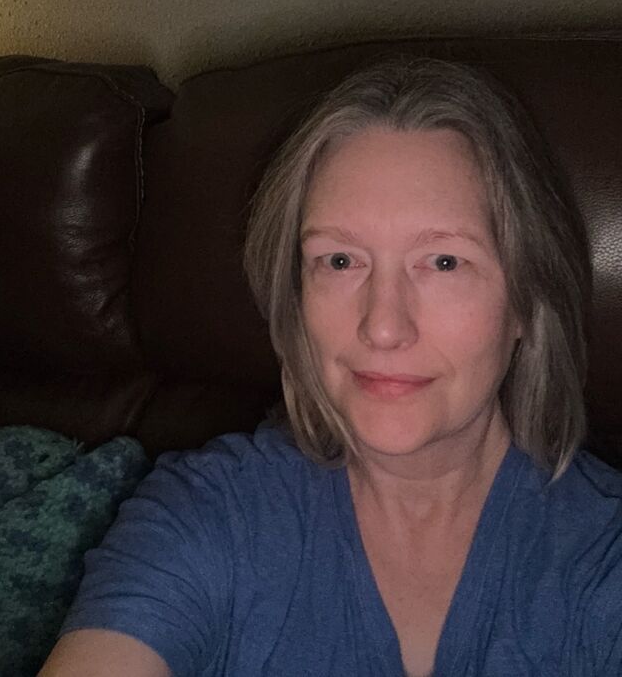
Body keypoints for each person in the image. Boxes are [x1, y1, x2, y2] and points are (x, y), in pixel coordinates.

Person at [40, 59, 622, 677]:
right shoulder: (207, 516)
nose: (383, 327)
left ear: (527, 301)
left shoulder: (603, 557)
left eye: (444, 262)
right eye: (340, 261)